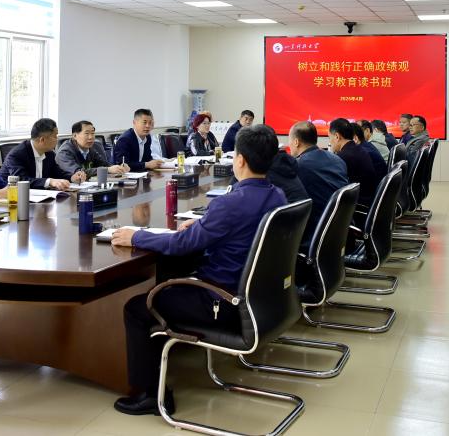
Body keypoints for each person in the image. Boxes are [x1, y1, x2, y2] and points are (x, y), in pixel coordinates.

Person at [110, 124, 288, 416]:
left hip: (221, 302)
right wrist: (205, 225)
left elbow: (181, 244)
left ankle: (151, 395)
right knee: (173, 276)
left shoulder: (230, 204)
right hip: (258, 299)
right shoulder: (277, 195)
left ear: (240, 160)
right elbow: (239, 229)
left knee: (137, 308)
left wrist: (137, 236)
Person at [288, 120, 348, 249]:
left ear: (296, 142)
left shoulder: (298, 166)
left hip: (313, 235)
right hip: (339, 231)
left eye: (290, 141)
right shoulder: (338, 160)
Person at [2, 118, 78, 189]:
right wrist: (49, 182)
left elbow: (57, 173)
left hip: (39, 195)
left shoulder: (49, 153)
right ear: (42, 140)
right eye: (55, 136)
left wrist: (72, 177)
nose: (57, 139)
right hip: (10, 196)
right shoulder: (17, 154)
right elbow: (21, 180)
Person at [328, 117, 378, 206]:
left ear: (337, 136)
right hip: (368, 199)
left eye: (329, 137)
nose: (330, 142)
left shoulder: (344, 157)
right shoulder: (358, 149)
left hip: (358, 204)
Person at [56, 120, 128, 178]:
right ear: (75, 136)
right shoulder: (65, 152)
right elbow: (79, 173)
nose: (90, 137)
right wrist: (108, 170)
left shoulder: (93, 147)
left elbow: (103, 164)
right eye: (87, 133)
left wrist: (118, 168)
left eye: (93, 133)